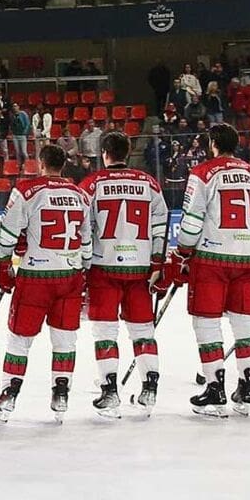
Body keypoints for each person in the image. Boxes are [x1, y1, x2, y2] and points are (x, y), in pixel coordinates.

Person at [168, 122, 250, 417]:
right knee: (246, 323)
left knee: (207, 322)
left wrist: (183, 253)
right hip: (247, 258)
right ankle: (247, 387)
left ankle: (215, 389)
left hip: (212, 258)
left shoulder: (203, 173)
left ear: (213, 143)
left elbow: (192, 220)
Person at [0, 143, 91, 422]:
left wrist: (2, 264)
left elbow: (8, 234)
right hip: (70, 275)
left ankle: (9, 394)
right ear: (64, 165)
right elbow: (87, 240)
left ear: (41, 164)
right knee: (65, 339)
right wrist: (85, 270)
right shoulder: (81, 195)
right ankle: (61, 394)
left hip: (36, 276)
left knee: (19, 339)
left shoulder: (27, 191)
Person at [78, 130, 168, 417]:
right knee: (143, 331)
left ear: (104, 153)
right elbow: (160, 226)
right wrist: (157, 264)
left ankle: (109, 391)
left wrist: (82, 264)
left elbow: (83, 228)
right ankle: (150, 388)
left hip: (104, 268)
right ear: (127, 152)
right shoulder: (149, 183)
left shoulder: (92, 183)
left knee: (105, 331)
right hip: (140, 269)